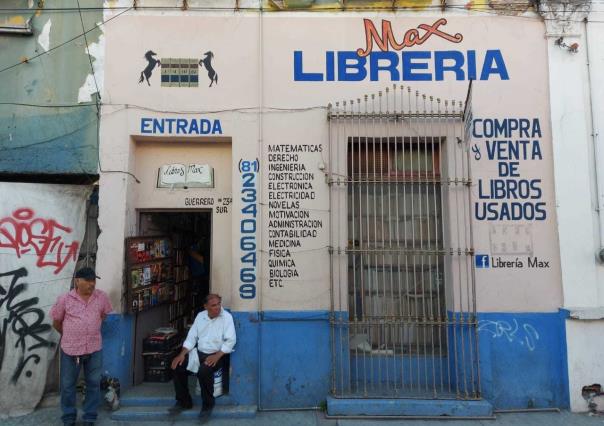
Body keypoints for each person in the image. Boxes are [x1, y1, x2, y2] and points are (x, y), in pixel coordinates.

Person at [50, 267, 113, 426]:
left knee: (93, 383)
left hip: (94, 347)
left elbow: (103, 316)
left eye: (94, 280)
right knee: (68, 385)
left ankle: (90, 417)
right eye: (88, 280)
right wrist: (71, 335)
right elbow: (56, 321)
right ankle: (69, 417)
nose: (92, 284)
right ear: (77, 281)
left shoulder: (101, 297)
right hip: (71, 349)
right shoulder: (65, 299)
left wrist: (88, 328)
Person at [170, 293, 236, 422]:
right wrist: (182, 354)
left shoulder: (227, 318)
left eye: (218, 304)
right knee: (177, 366)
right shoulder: (200, 316)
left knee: (204, 372)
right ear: (206, 307)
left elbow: (230, 341)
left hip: (217, 355)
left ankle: (207, 406)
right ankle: (184, 402)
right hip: (198, 354)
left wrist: (217, 356)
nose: (217, 307)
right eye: (213, 305)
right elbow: (191, 338)